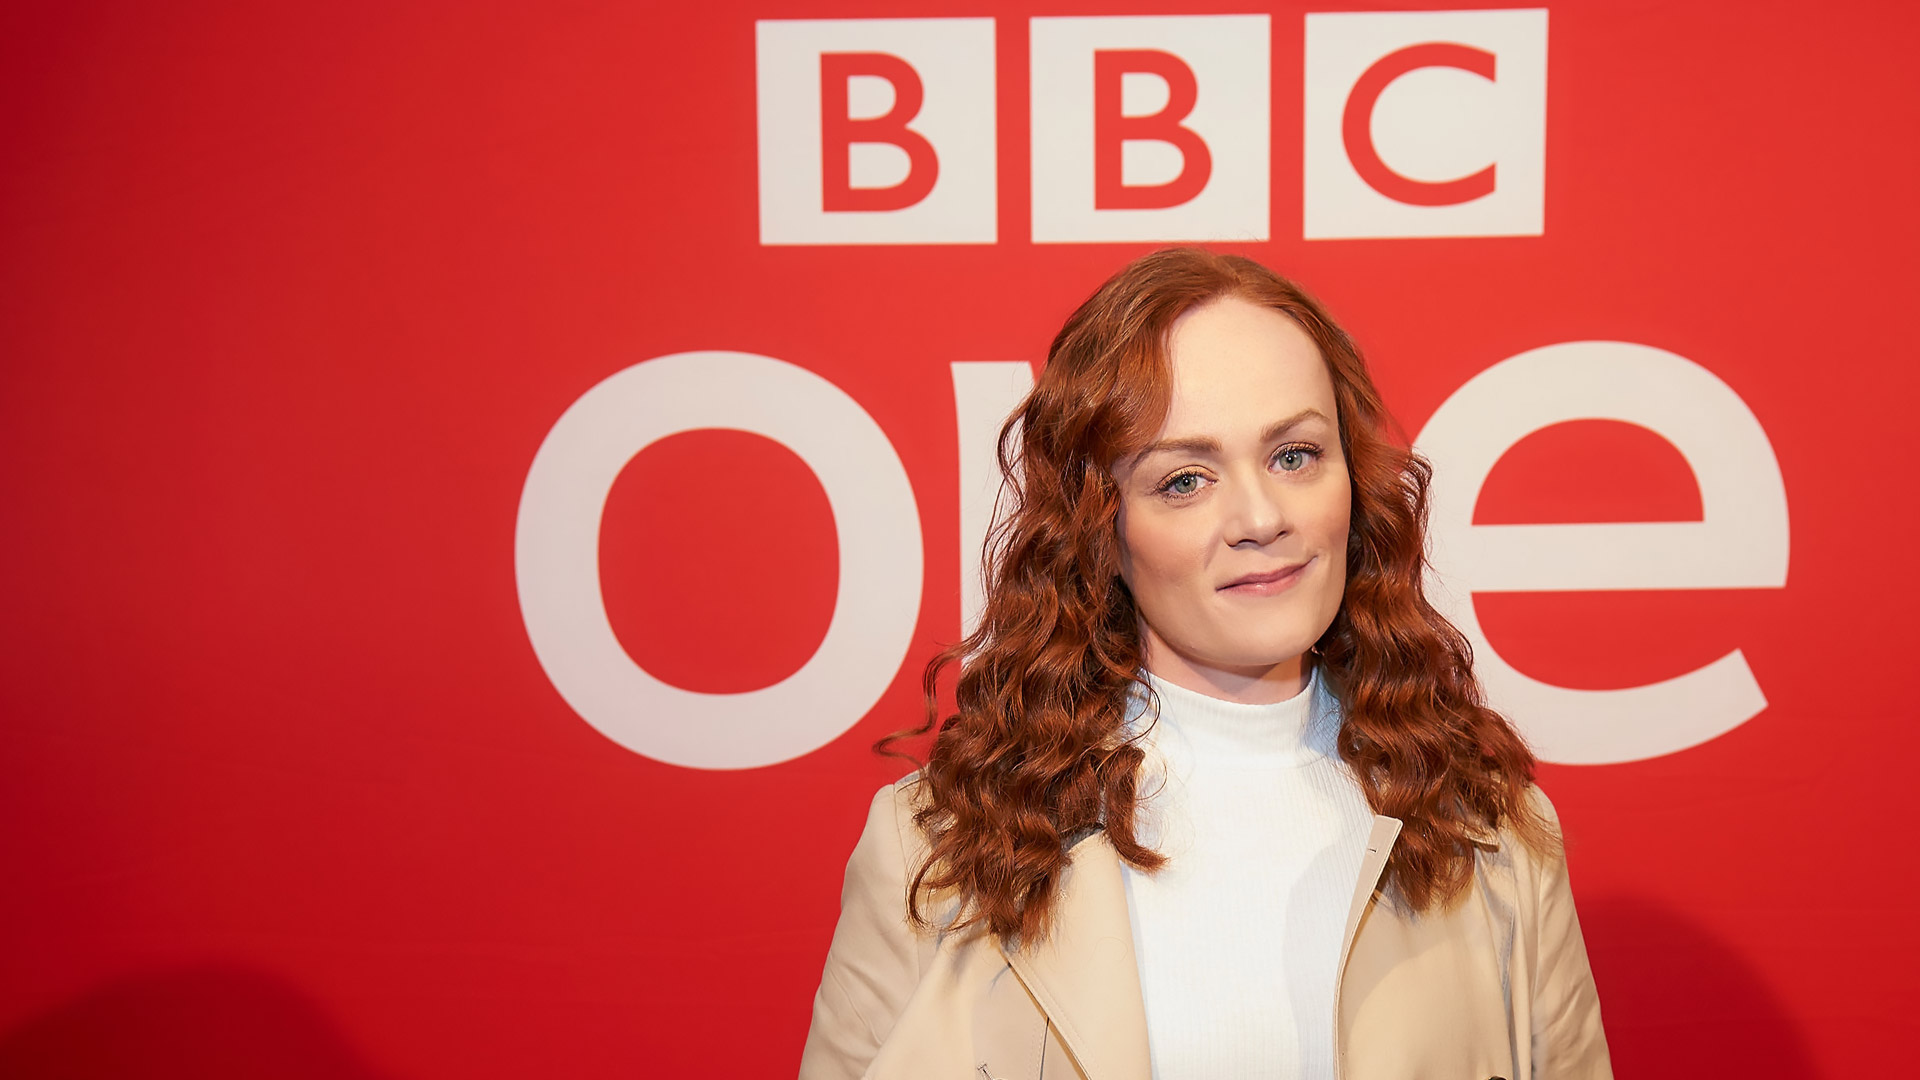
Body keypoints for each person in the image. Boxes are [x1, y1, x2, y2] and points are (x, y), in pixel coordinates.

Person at [798, 248, 1612, 1080]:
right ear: (1100, 530)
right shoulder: (936, 846)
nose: (1261, 516)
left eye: (1295, 455)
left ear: (1353, 482)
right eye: (1185, 480)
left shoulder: (1491, 827)